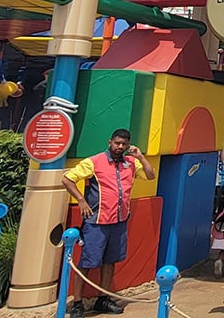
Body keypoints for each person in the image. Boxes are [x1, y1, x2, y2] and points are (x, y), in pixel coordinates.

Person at [62, 129, 155, 318]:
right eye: (117, 143)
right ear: (110, 141)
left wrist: (141, 157)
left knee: (110, 261)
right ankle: (77, 302)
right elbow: (67, 178)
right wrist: (81, 199)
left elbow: (150, 175)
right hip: (97, 220)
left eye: (124, 144)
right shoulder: (94, 162)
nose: (120, 147)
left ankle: (103, 298)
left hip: (119, 220)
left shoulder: (130, 163)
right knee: (87, 262)